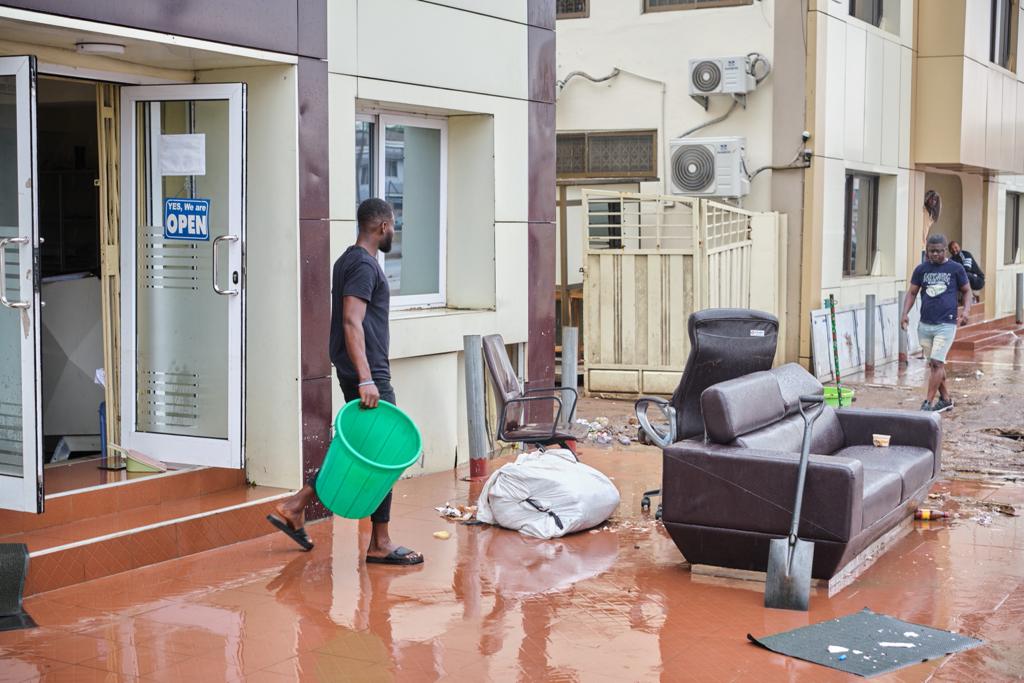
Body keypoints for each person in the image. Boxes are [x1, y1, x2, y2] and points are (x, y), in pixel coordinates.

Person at [267, 198, 423, 565]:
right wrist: (368, 379)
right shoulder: (364, 266)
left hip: (359, 368)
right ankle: (379, 543)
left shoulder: (346, 260)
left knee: (365, 450)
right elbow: (352, 321)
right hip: (367, 373)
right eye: (393, 226)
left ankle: (296, 505)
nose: (394, 232)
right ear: (382, 226)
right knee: (386, 451)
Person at [901, 233, 971, 413]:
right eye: (931, 251)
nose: (935, 255)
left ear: (945, 250)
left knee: (937, 363)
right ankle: (946, 399)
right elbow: (912, 293)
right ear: (927, 251)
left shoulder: (956, 269)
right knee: (934, 365)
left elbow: (967, 291)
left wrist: (966, 311)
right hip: (925, 325)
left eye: (939, 251)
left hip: (946, 324)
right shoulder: (921, 269)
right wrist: (905, 314)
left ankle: (928, 403)